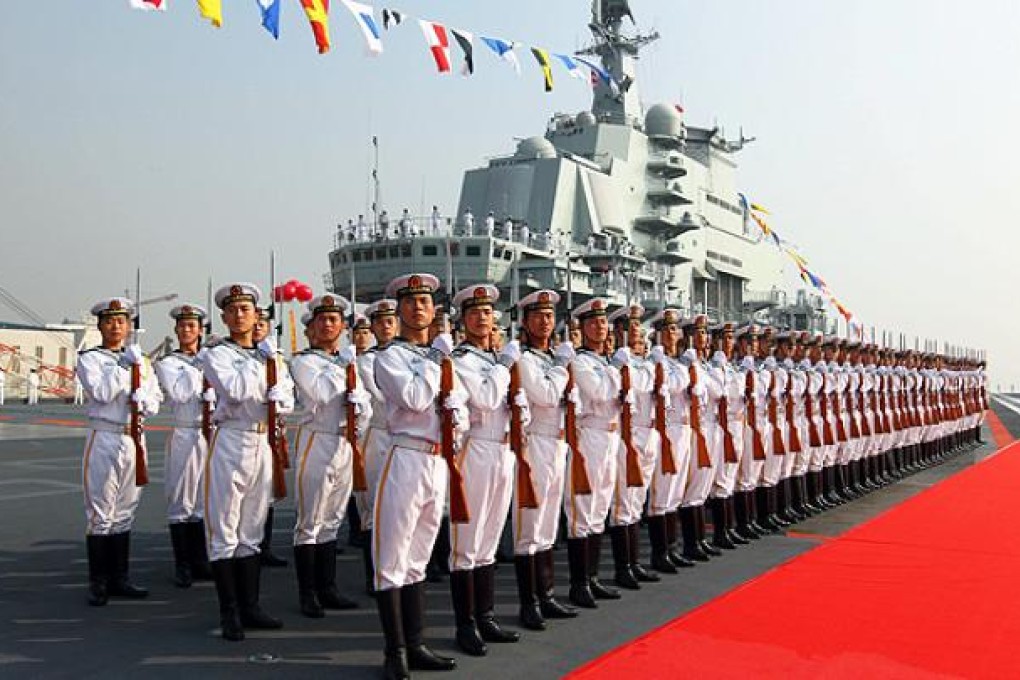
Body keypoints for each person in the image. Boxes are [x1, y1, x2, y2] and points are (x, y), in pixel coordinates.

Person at [371, 273, 466, 677]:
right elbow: (413, 397)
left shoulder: (440, 357)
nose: (417, 308)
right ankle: (394, 652)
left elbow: (459, 406)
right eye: (410, 302)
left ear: (433, 309)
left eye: (424, 301)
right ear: (399, 309)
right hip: (406, 457)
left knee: (418, 560)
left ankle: (416, 643)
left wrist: (457, 416)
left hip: (437, 460)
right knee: (392, 559)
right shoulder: (389, 356)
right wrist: (435, 363)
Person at [201, 283, 294, 641]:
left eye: (246, 310)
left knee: (252, 531)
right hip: (232, 438)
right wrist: (264, 368)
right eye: (233, 310)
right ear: (224, 317)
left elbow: (287, 401)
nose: (240, 315)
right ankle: (229, 612)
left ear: (257, 316)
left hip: (263, 440)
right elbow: (236, 391)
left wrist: (271, 370)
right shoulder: (217, 354)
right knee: (225, 529)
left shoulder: (271, 356)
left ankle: (250, 606)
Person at [447, 284, 521, 656]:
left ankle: (486, 616)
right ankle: (466, 624)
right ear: (463, 320)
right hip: (475, 449)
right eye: (474, 313)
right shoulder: (461, 360)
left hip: (502, 450)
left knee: (489, 540)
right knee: (467, 543)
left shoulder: (493, 360)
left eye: (488, 313)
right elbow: (488, 398)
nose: (482, 318)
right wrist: (505, 367)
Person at [289, 294, 371, 618]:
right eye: (321, 320)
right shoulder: (304, 361)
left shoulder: (348, 362)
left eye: (333, 320)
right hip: (318, 437)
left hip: (345, 442)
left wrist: (356, 394)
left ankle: (328, 587)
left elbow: (364, 408)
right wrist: (347, 376)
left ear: (342, 327)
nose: (327, 325)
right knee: (310, 520)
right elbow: (323, 393)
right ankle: (307, 592)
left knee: (333, 519)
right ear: (311, 329)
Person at [77, 297, 162, 607]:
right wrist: (124, 367)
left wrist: (143, 400)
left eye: (122, 321)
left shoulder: (142, 360)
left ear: (129, 327)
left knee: (125, 512)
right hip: (105, 435)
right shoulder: (90, 359)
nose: (116, 326)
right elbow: (102, 392)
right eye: (110, 321)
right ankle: (98, 582)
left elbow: (155, 398)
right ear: (100, 326)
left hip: (133, 438)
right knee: (101, 512)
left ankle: (120, 578)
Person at [512, 289, 578, 631]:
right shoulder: (525, 360)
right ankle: (529, 603)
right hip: (535, 442)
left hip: (557, 443)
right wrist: (563, 367)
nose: (545, 321)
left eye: (549, 316)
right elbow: (547, 395)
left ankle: (547, 594)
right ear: (525, 322)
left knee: (549, 525)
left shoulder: (552, 357)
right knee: (531, 525)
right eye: (537, 316)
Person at [565, 298, 624, 609]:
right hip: (589, 436)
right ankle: (579, 583)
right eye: (593, 323)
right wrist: (616, 370)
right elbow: (600, 393)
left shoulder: (605, 361)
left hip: (610, 435)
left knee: (600, 509)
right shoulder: (581, 362)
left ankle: (593, 577)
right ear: (583, 328)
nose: (599, 327)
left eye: (603, 322)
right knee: (583, 511)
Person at [154, 304, 214, 589]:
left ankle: (200, 560)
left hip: (210, 433)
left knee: (202, 500)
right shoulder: (169, 363)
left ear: (200, 330)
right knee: (181, 500)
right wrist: (201, 370)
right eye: (183, 326)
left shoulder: (211, 358)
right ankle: (183, 564)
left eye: (192, 326)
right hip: (185, 431)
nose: (187, 331)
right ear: (176, 331)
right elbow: (181, 393)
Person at [606, 304, 660, 589]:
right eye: (631, 327)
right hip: (627, 433)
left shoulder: (643, 362)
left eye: (639, 327)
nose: (637, 332)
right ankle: (623, 567)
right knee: (623, 504)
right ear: (619, 331)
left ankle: (634, 563)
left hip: (647, 432)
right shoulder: (614, 363)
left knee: (637, 502)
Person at [353, 298, 399, 595]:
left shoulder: (408, 355)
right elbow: (382, 395)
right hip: (379, 433)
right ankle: (374, 572)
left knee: (400, 508)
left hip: (403, 438)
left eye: (390, 321)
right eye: (380, 322)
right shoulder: (367, 361)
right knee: (372, 507)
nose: (385, 326)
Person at [252, 308, 288, 568]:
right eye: (255, 324)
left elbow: (287, 393)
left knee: (269, 491)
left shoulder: (278, 359)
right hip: (243, 431)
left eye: (262, 324)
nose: (257, 328)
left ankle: (265, 546)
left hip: (270, 430)